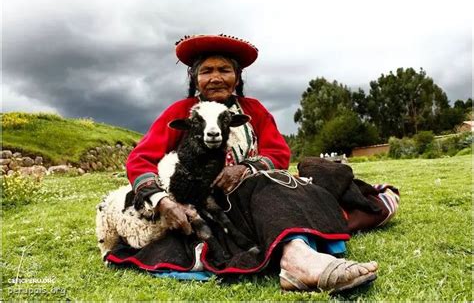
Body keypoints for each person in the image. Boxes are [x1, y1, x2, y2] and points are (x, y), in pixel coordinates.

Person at [108, 34, 380, 293]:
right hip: (207, 205)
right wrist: (162, 201)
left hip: (258, 193)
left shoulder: (254, 111)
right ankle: (301, 261)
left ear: (237, 77)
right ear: (195, 78)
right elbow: (140, 158)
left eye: (224, 70)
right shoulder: (182, 113)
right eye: (207, 71)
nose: (215, 78)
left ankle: (297, 258)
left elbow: (278, 153)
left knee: (287, 186)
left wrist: (246, 168)